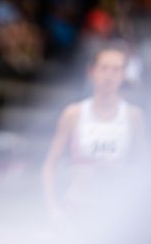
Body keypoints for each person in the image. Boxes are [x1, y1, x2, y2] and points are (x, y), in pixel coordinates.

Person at [41, 46, 145, 225]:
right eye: (104, 68)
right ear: (91, 72)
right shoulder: (73, 114)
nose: (109, 75)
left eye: (116, 69)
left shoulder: (134, 116)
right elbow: (49, 167)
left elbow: (144, 170)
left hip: (117, 214)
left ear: (123, 75)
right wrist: (52, 210)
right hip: (76, 211)